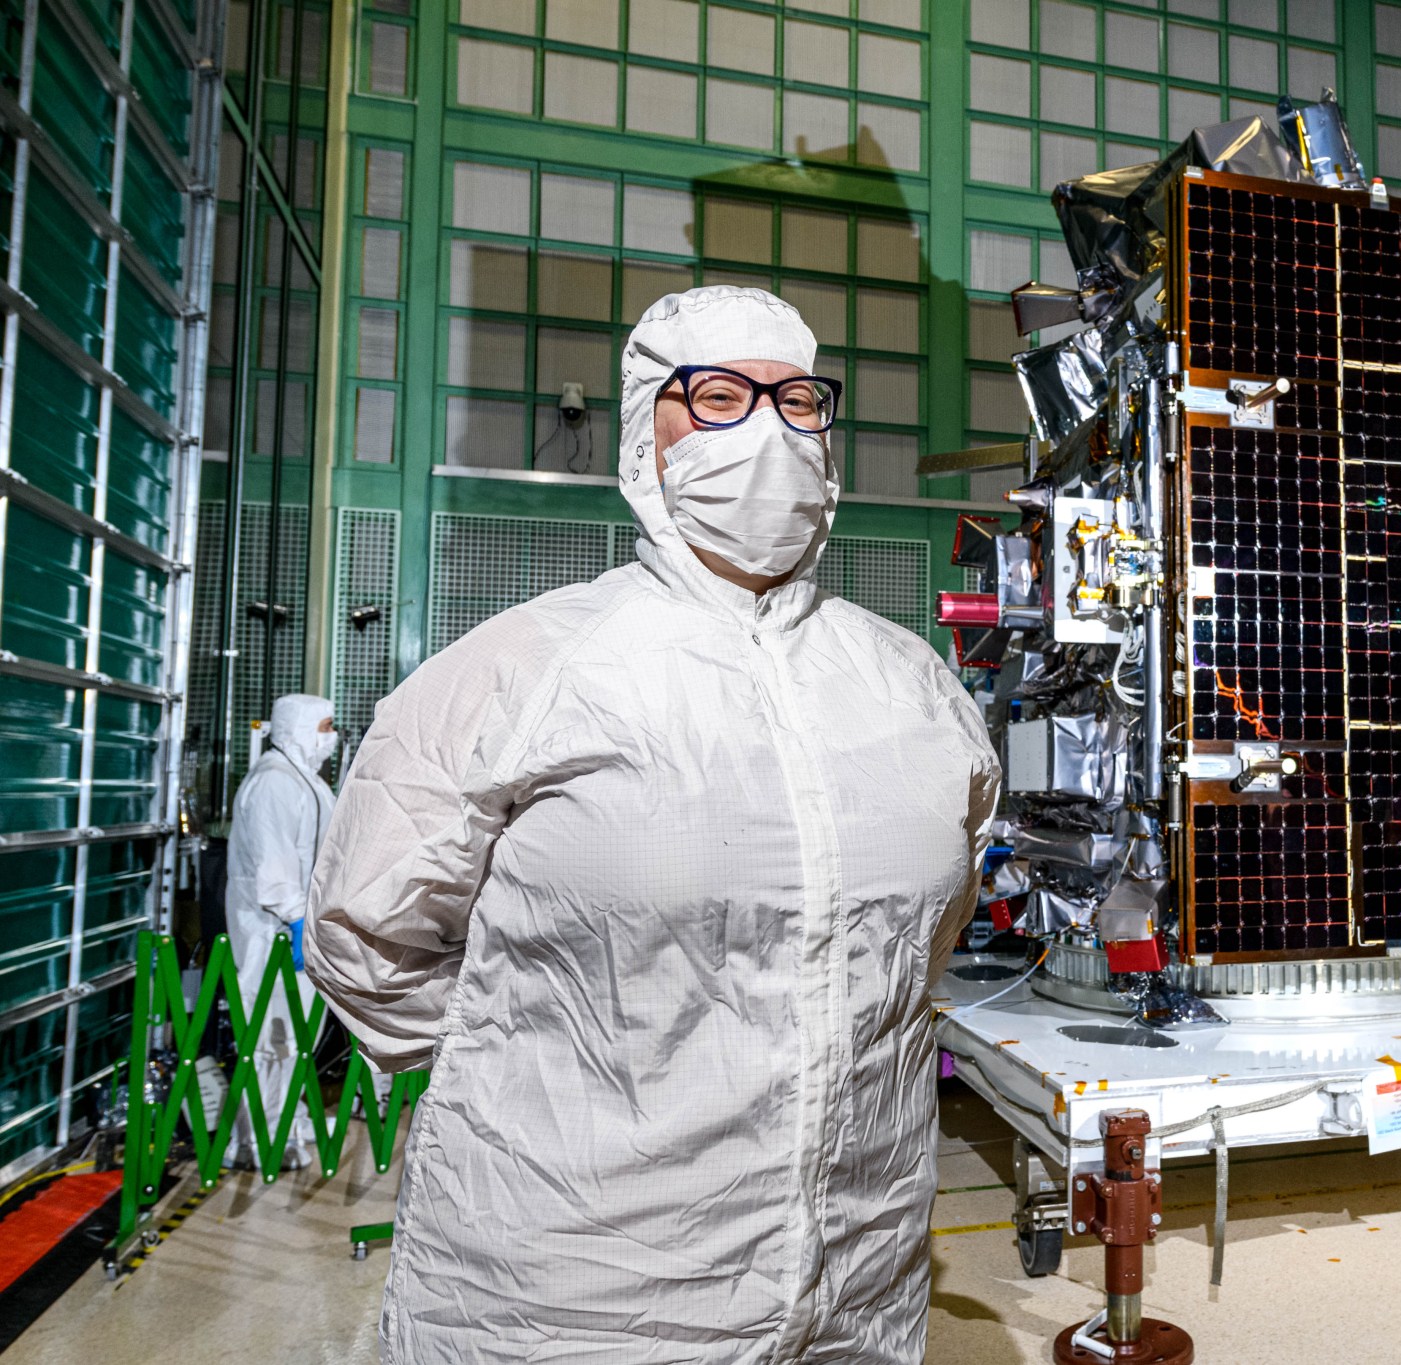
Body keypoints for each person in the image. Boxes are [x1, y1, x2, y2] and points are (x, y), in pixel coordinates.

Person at [305, 286, 1000, 1364]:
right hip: (577, 1291)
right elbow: (368, 942)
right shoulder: (522, 670)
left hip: (855, 1286)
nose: (766, 428)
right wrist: (553, 1083)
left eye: (797, 400)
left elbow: (918, 945)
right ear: (645, 431)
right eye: (718, 397)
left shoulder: (911, 689)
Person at [224, 692, 337, 1171]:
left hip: (299, 925)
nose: (331, 738)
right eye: (325, 727)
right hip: (269, 931)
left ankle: (286, 1120)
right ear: (299, 728)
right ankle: (254, 1140)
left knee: (294, 1037)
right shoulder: (274, 783)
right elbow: (273, 870)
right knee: (270, 1038)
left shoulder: (303, 780)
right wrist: (295, 918)